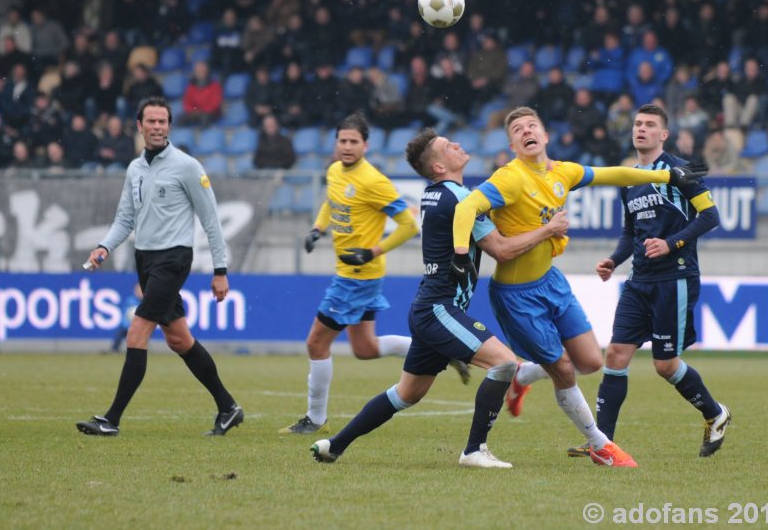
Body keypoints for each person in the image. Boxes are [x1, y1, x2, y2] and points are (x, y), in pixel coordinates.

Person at [452, 106, 706, 468]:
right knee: (565, 371)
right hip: (516, 295)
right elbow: (466, 207)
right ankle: (600, 445)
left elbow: (613, 174)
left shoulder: (564, 172)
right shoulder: (508, 179)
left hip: (551, 283)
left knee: (589, 362)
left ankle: (524, 374)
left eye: (532, 125)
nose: (527, 131)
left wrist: (669, 177)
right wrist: (462, 251)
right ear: (512, 144)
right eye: (519, 129)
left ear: (545, 135)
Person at [310, 128, 568, 467]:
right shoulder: (462, 200)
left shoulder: (437, 194)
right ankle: (474, 451)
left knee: (407, 394)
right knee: (505, 363)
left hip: (429, 306)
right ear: (438, 167)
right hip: (438, 308)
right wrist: (548, 229)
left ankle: (334, 445)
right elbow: (502, 251)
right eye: (449, 146)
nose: (458, 144)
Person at [279, 112, 467, 435]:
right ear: (336, 143)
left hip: (357, 277)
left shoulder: (374, 181)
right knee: (364, 349)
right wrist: (317, 228)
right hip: (352, 275)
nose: (347, 147)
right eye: (342, 141)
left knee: (315, 343)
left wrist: (372, 250)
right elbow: (331, 201)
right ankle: (439, 348)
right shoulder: (335, 171)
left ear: (365, 145)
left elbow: (409, 225)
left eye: (354, 141)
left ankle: (315, 418)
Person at [567, 104, 731, 459]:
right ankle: (602, 444)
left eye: (649, 125)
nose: (641, 129)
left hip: (674, 278)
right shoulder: (630, 179)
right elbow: (631, 232)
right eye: (638, 124)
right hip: (637, 280)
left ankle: (716, 413)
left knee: (665, 365)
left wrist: (672, 243)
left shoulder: (678, 172)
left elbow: (711, 215)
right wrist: (614, 260)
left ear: (664, 134)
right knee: (615, 353)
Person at [76, 96, 243, 437]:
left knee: (137, 332)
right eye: (150, 121)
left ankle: (111, 419)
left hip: (174, 259)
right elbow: (125, 218)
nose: (156, 127)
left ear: (169, 126)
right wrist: (104, 247)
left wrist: (220, 270)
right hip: (146, 259)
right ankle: (228, 408)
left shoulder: (187, 166)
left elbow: (211, 220)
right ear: (139, 126)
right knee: (180, 340)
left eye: (162, 122)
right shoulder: (135, 169)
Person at [111, 282, 143, 352]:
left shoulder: (146, 302)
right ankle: (114, 349)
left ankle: (141, 349)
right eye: (138, 290)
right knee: (120, 332)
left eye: (141, 290)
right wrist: (128, 326)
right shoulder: (130, 301)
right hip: (128, 326)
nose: (140, 292)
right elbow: (126, 316)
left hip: (140, 327)